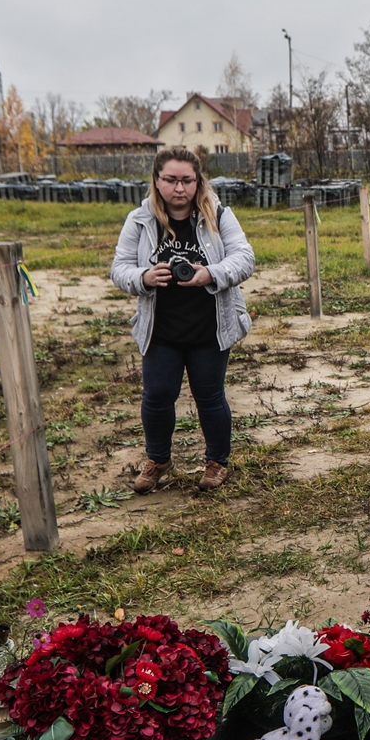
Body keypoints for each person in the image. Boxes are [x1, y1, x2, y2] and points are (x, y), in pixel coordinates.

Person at [110, 145, 257, 492]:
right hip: (160, 331)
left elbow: (245, 257)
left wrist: (211, 274)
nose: (180, 189)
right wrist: (144, 278)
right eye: (171, 180)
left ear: (198, 181)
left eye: (187, 180)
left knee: (209, 396)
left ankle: (217, 461)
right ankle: (158, 459)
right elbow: (119, 268)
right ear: (157, 181)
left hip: (210, 327)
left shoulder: (218, 215)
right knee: (157, 396)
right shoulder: (140, 220)